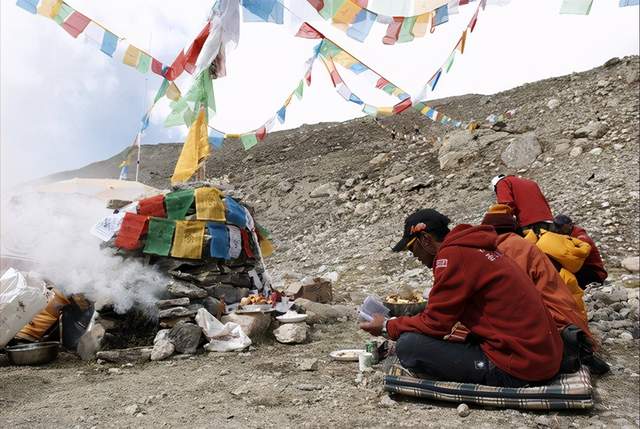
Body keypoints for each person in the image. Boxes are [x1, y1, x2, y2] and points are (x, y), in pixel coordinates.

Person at [360, 209, 563, 387]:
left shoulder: (451, 256)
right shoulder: (472, 248)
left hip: (521, 366)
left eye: (413, 250)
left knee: (409, 346)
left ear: (425, 240)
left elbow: (436, 323)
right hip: (542, 356)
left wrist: (388, 326)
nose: (415, 257)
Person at [481, 205, 593, 342]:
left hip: (541, 310)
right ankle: (583, 340)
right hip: (564, 281)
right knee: (573, 313)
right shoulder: (535, 242)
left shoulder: (499, 248)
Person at [552, 215, 608, 288]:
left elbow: (574, 255)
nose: (557, 229)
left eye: (559, 226)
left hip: (594, 273)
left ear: (570, 225)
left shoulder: (581, 237)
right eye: (556, 226)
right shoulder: (564, 235)